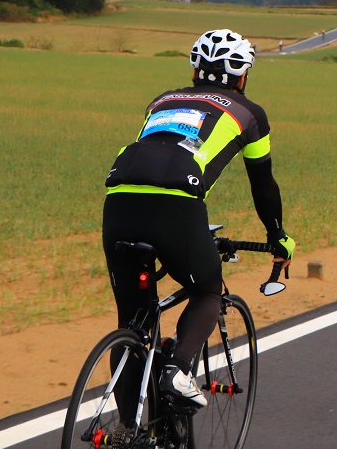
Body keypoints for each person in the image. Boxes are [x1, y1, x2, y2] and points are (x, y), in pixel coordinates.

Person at [103, 29, 295, 410]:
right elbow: (263, 183)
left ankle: (127, 436)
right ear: (242, 76)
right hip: (177, 202)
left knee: (132, 323)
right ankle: (176, 369)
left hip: (118, 198)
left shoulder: (161, 101)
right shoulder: (250, 114)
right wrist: (278, 236)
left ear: (195, 70)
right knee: (208, 290)